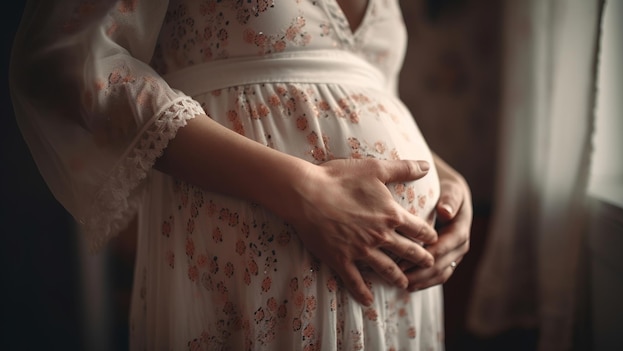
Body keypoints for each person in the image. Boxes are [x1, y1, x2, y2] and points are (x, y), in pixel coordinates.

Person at [10, 0, 472, 349]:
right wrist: (302, 190)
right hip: (249, 252)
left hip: (396, 285)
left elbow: (371, 93)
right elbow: (64, 59)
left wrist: (446, 178)